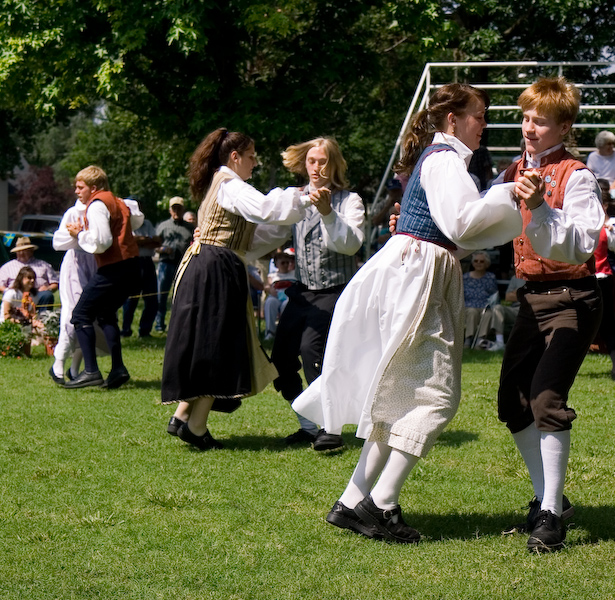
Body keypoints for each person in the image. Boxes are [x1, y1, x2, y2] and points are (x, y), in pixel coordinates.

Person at [292, 83, 522, 543]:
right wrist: (511, 193)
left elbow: (461, 229)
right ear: (452, 119)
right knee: (435, 396)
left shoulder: (441, 160)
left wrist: (500, 198)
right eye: (478, 114)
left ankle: (352, 500)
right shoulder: (443, 160)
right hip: (420, 275)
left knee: (399, 394)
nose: (484, 123)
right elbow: (463, 223)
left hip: (415, 269)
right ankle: (381, 503)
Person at [497, 78, 603, 552]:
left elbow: (581, 243)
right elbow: (482, 224)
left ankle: (549, 514)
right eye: (526, 118)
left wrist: (540, 205)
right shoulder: (514, 169)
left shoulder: (578, 176)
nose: (529, 127)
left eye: (539, 120)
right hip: (531, 297)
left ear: (564, 125)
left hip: (573, 297)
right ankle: (550, 500)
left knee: (545, 400)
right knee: (511, 402)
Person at [162, 128, 312, 450]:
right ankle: (196, 427)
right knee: (219, 345)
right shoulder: (231, 185)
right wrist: (302, 196)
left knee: (209, 341)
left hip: (211, 264)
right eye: (251, 157)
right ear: (235, 157)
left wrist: (291, 214)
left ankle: (182, 415)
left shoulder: (224, 186)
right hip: (215, 269)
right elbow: (266, 209)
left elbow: (253, 239)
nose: (254, 164)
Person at [265, 137, 365, 450]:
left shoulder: (350, 201)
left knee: (313, 353)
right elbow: (268, 230)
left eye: (322, 161)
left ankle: (330, 429)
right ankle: (309, 426)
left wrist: (327, 213)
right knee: (280, 360)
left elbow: (350, 245)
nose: (316, 167)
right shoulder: (295, 198)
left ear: (334, 164)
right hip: (303, 292)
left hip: (336, 291)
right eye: (311, 161)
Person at [63, 165, 144, 390]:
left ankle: (91, 371)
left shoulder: (97, 205)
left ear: (94, 187)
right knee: (106, 313)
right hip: (132, 267)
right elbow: (136, 221)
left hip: (114, 269)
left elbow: (102, 242)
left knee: (80, 315)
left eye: (80, 187)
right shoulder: (119, 201)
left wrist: (78, 233)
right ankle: (118, 369)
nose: (77, 191)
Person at [48, 199, 108, 384]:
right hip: (75, 264)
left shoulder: (99, 211)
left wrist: (82, 233)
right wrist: (78, 234)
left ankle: (75, 368)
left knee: (89, 316)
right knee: (72, 314)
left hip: (95, 262)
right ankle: (58, 363)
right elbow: (58, 241)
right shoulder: (73, 212)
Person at [121, 202, 161, 338]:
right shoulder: (125, 223)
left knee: (151, 299)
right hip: (133, 262)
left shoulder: (147, 223)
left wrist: (143, 240)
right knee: (131, 299)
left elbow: (157, 241)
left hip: (147, 262)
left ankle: (145, 330)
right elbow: (130, 240)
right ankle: (125, 330)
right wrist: (144, 240)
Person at [154, 196, 194, 332]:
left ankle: (179, 324)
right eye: (174, 208)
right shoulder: (163, 226)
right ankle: (159, 324)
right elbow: (155, 245)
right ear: (170, 210)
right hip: (166, 263)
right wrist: (164, 249)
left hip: (183, 265)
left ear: (183, 210)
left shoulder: (190, 228)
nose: (176, 211)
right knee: (162, 294)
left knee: (181, 295)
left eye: (179, 208)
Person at [0, 236, 58, 310]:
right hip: (17, 295)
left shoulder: (44, 265)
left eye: (24, 250)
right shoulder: (7, 267)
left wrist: (48, 288)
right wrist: (8, 291)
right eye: (19, 251)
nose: (21, 253)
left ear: (31, 251)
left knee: (47, 295)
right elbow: (0, 285)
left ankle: (43, 319)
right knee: (11, 296)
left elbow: (55, 283)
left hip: (38, 294)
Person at [463, 251, 502, 350]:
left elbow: (494, 294)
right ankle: (468, 340)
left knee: (488, 314)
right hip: (468, 306)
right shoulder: (465, 277)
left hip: (485, 306)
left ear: (487, 264)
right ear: (472, 263)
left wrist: (491, 303)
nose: (478, 263)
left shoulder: (490, 277)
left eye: (482, 261)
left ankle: (480, 340)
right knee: (472, 312)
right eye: (476, 261)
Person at [1, 267, 44, 346]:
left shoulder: (34, 296)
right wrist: (22, 322)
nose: (32, 281)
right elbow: (6, 316)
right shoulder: (11, 293)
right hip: (9, 324)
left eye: (34, 278)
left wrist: (34, 322)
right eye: (29, 278)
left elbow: (32, 314)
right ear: (21, 279)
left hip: (25, 324)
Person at [263, 249, 297, 340]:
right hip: (276, 296)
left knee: (287, 304)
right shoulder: (272, 275)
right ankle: (270, 332)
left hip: (289, 296)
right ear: (276, 264)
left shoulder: (294, 274)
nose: (286, 265)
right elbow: (266, 286)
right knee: (270, 302)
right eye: (283, 263)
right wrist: (270, 289)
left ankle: (285, 332)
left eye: (287, 262)